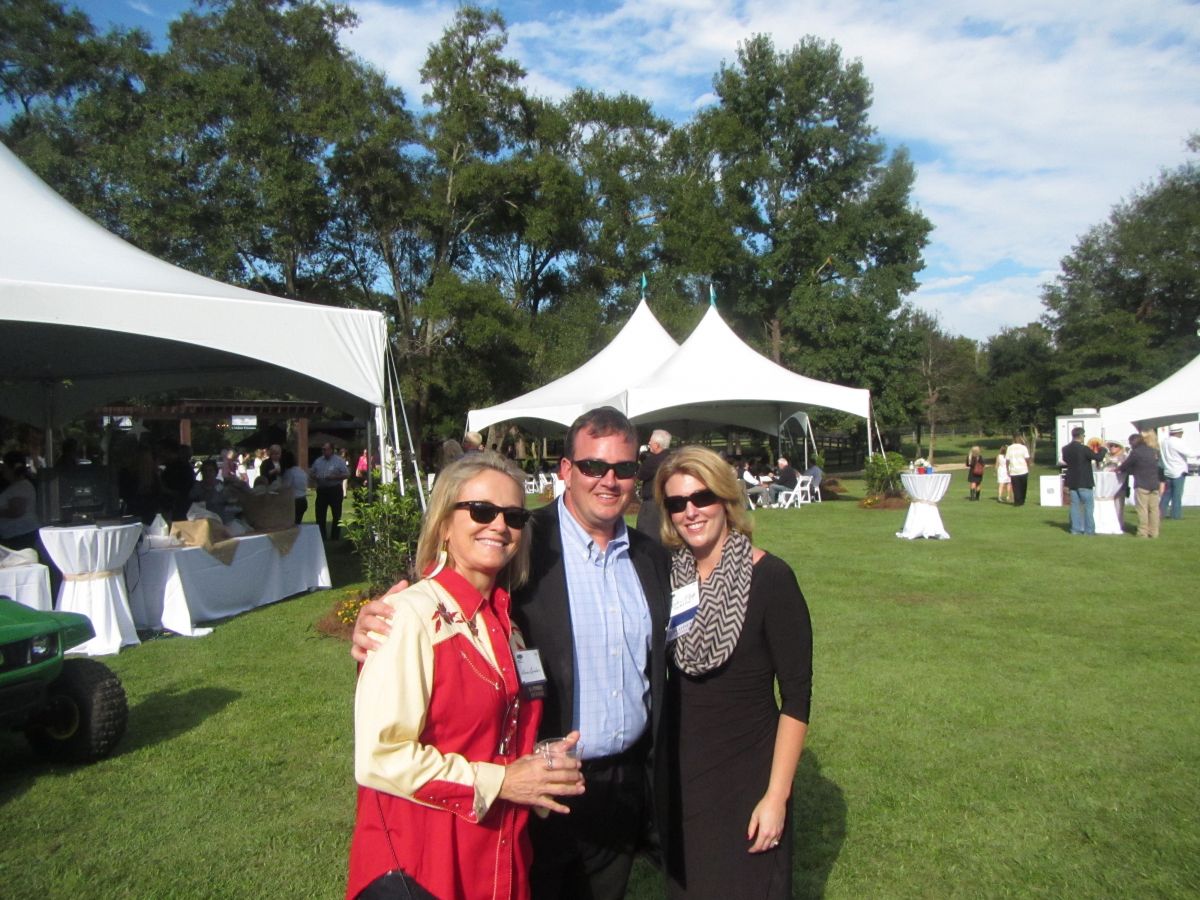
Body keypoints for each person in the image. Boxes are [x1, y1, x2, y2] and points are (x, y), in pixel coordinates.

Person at [354, 407, 672, 900]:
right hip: (522, 796)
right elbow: (435, 603)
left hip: (619, 786)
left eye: (624, 469)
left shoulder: (651, 557)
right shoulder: (525, 539)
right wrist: (373, 625)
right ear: (565, 470)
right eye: (592, 466)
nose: (608, 481)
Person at [347, 451, 585, 900]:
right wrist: (505, 781)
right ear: (443, 524)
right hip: (421, 864)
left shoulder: (507, 625)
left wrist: (536, 765)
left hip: (495, 857)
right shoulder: (408, 616)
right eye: (481, 510)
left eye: (514, 516)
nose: (499, 525)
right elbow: (380, 756)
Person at [653, 446, 812, 899]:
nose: (690, 512)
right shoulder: (669, 577)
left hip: (748, 778)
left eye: (700, 498)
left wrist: (776, 797)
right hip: (684, 781)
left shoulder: (772, 579)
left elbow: (797, 699)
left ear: (725, 498)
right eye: (676, 503)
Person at [1060, 427, 1106, 535]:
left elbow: (1066, 460)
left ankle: (1075, 529)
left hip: (1072, 481)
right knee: (1088, 506)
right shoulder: (1084, 449)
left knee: (1074, 506)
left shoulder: (1065, 448)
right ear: (1081, 436)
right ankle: (1089, 530)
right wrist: (1103, 449)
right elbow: (1098, 457)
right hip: (1084, 481)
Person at [1118, 430, 1161, 538]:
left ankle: (1143, 532)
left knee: (1142, 509)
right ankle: (1154, 532)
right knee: (1154, 509)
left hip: (1142, 484)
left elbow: (1126, 465)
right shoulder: (1152, 450)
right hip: (1154, 483)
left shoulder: (1136, 452)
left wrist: (1118, 469)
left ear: (1133, 443)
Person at [0, 451, 41, 553]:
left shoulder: (21, 487)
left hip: (22, 536)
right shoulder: (14, 486)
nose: (2, 471)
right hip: (14, 535)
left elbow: (16, 511)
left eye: (5, 468)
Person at [635, 429, 672, 541]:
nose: (649, 444)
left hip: (652, 504)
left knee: (647, 537)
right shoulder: (671, 458)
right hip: (667, 503)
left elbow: (640, 475)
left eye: (651, 441)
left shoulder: (654, 460)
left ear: (656, 444)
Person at [309, 442, 349, 540]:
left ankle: (335, 537)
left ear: (331, 450)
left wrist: (335, 477)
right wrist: (315, 477)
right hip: (322, 490)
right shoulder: (318, 461)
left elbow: (346, 474)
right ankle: (322, 536)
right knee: (320, 514)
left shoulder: (339, 461)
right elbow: (311, 473)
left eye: (325, 449)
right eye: (322, 449)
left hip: (334, 489)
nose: (324, 451)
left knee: (336, 514)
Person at [1158, 426, 1188, 521]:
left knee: (1167, 494)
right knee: (1177, 495)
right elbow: (1188, 453)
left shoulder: (1164, 442)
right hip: (1178, 471)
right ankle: (1176, 515)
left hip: (1167, 470)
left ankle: (1160, 513)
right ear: (1179, 432)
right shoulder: (1177, 442)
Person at [279, 449, 309, 524]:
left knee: (291, 525)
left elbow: (285, 487)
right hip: (303, 500)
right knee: (298, 523)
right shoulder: (301, 471)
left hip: (295, 501)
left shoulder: (289, 473)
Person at [1005, 436, 1031, 507]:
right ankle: (1022, 500)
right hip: (1023, 469)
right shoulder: (1023, 448)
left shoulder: (1009, 448)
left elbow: (1007, 460)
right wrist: (1028, 466)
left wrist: (1007, 469)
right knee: (1023, 486)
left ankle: (1017, 501)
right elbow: (1027, 458)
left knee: (1015, 487)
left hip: (1013, 470)